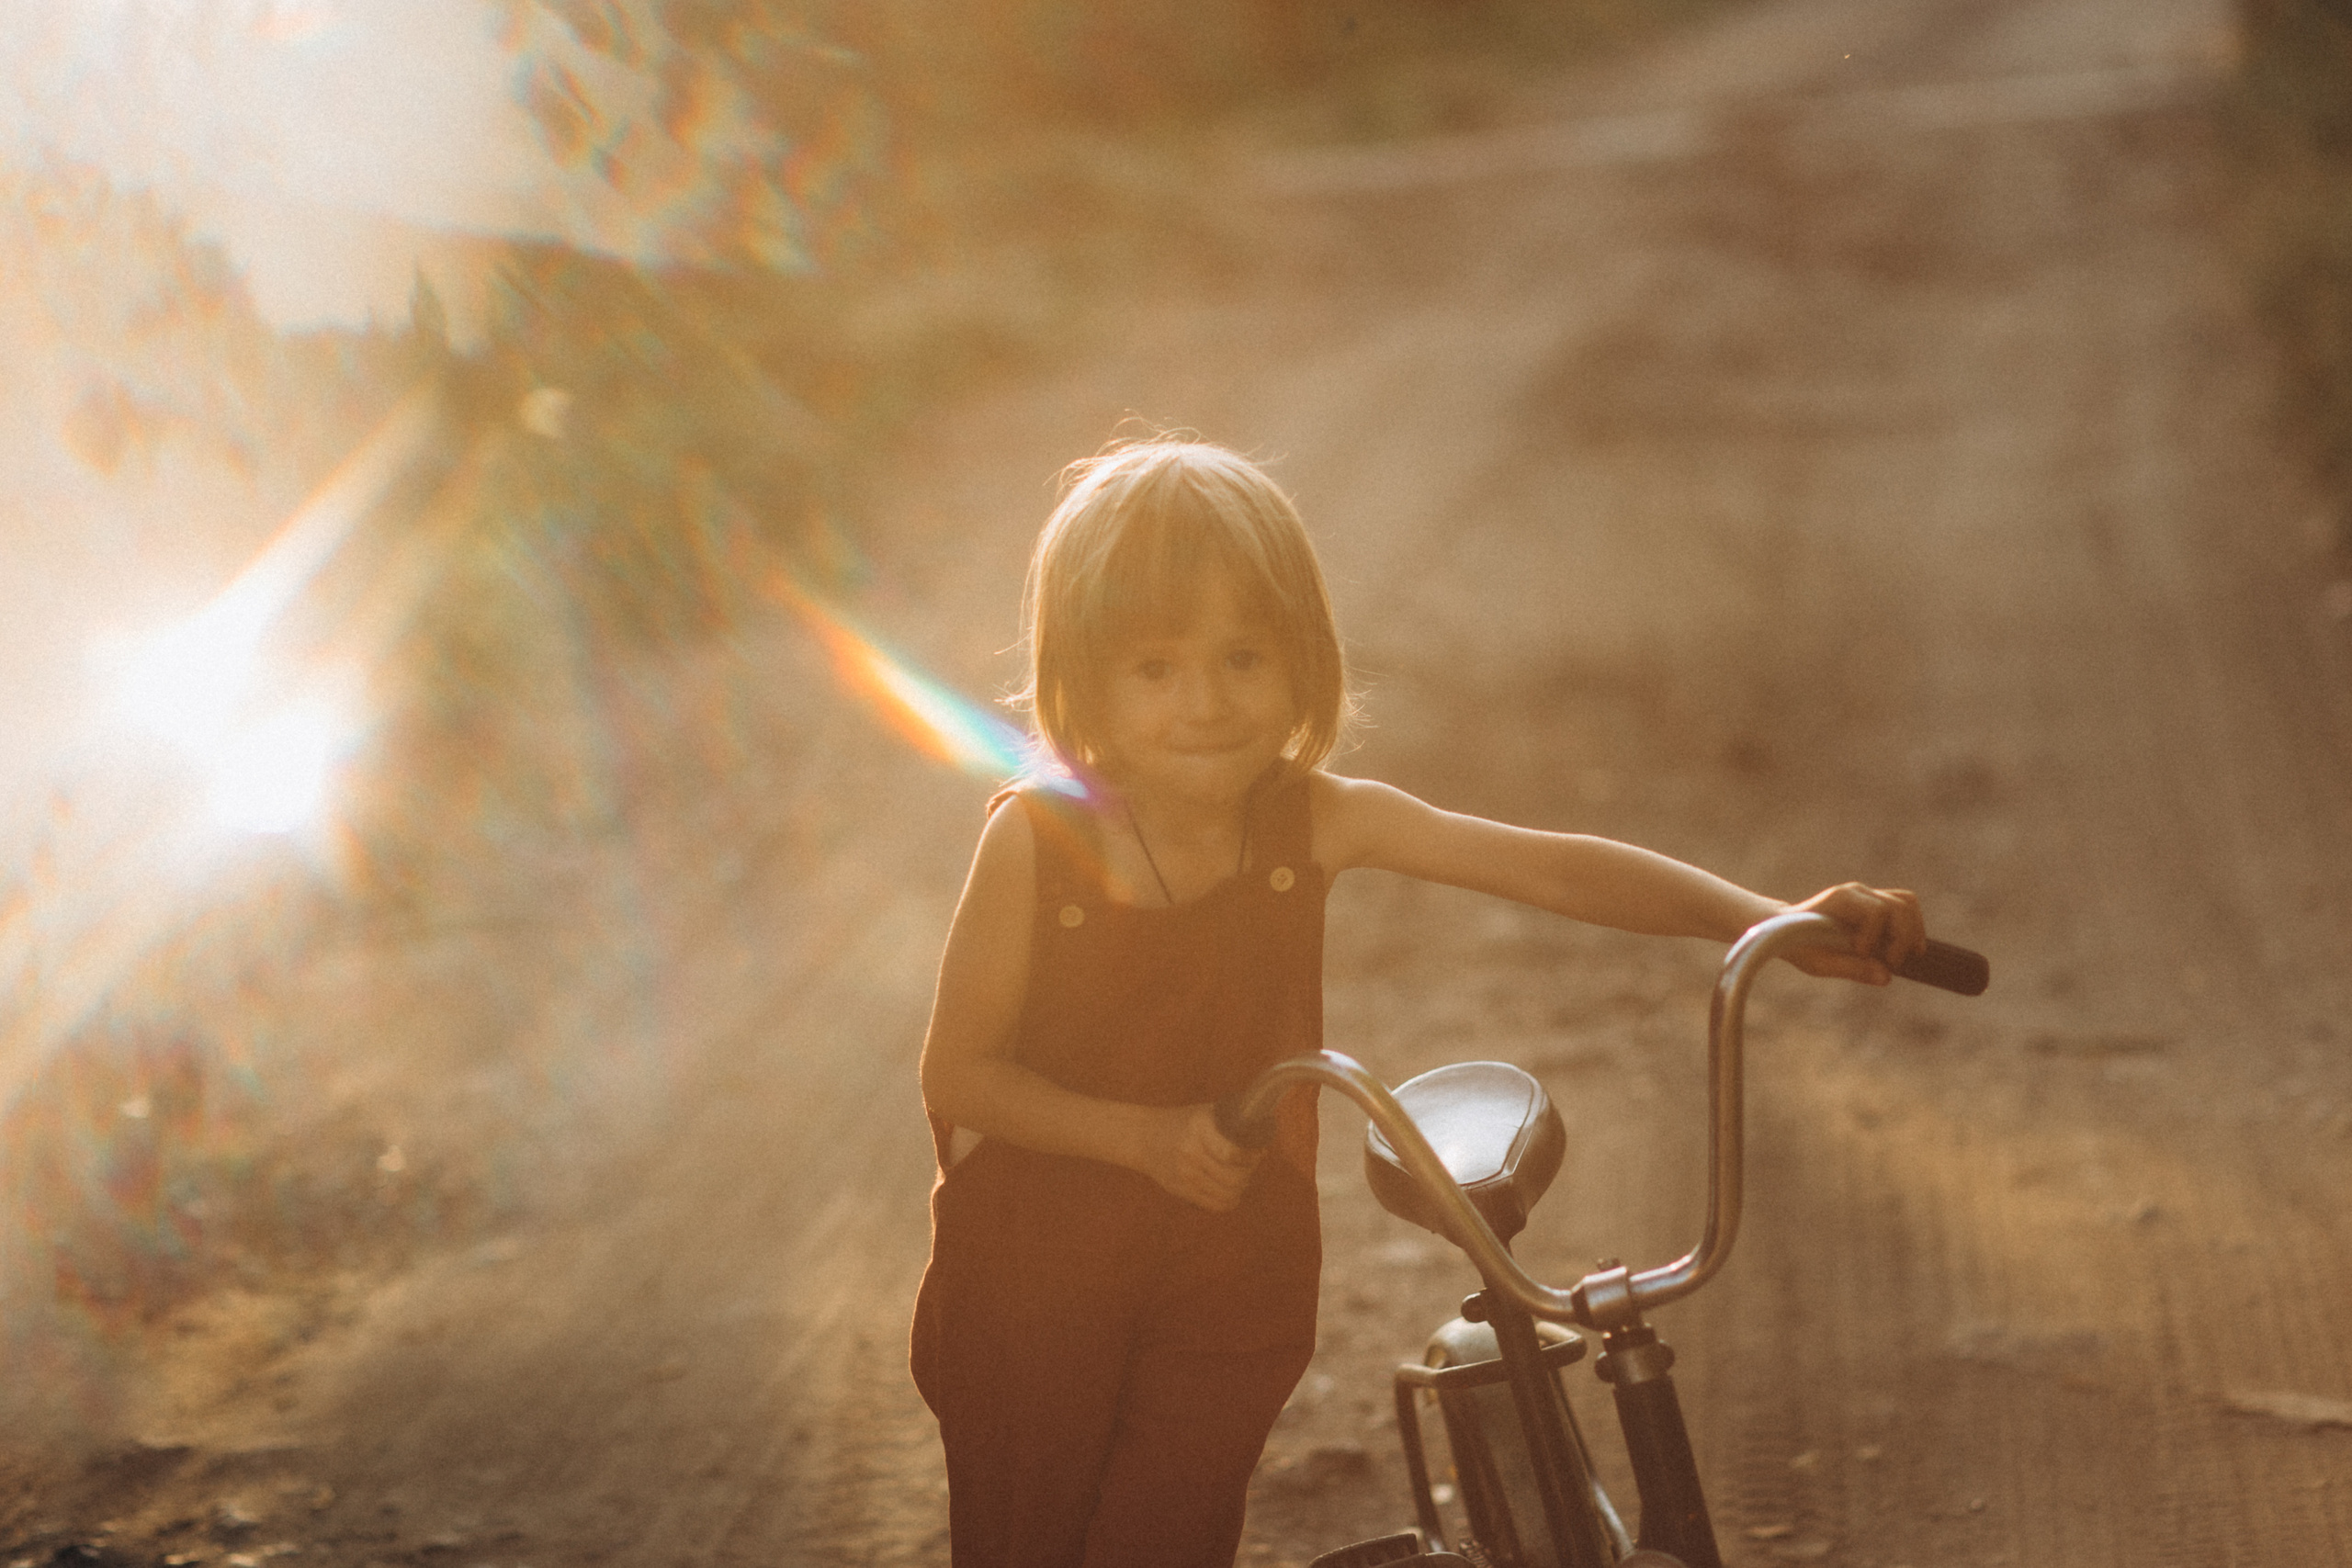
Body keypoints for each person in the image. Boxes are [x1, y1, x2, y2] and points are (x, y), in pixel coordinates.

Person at [909, 436, 1926, 1567]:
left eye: (1244, 656)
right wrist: (1143, 1138)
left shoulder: (1314, 818)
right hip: (1032, 1289)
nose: (1205, 703)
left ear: (1303, 659)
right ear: (1083, 678)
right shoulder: (1039, 842)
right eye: (1155, 669)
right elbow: (958, 1079)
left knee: (1166, 1539)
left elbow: (1553, 865)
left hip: (1226, 1276)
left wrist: (1772, 919)